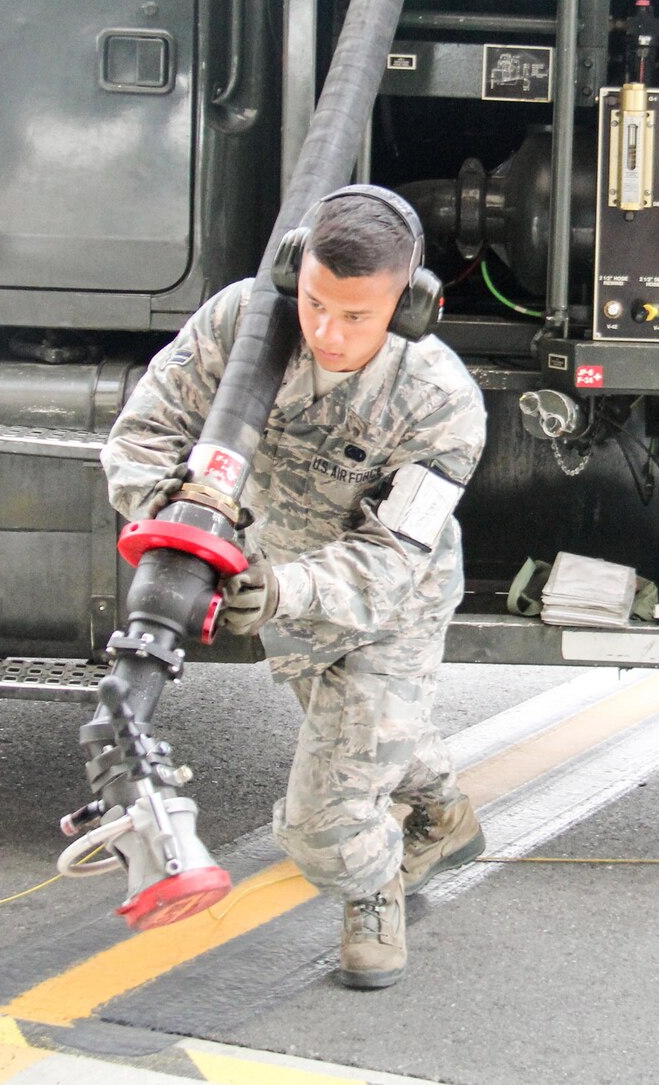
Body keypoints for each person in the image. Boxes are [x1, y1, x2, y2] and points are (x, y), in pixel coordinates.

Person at [100, 186, 488, 990]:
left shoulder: (441, 400)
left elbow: (390, 559)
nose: (325, 332)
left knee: (323, 822)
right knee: (372, 734)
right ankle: (443, 812)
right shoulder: (241, 322)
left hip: (388, 607)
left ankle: (372, 882)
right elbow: (142, 435)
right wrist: (183, 520)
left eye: (356, 316)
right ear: (292, 273)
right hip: (273, 576)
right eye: (313, 303)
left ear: (410, 305)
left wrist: (283, 590)